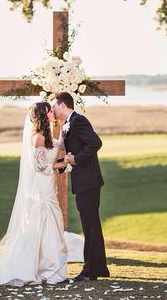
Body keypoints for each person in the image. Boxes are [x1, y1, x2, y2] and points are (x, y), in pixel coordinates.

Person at [0, 102, 70, 287]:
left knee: (51, 225)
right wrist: (64, 163)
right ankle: (44, 270)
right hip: (42, 187)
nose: (52, 112)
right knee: (48, 223)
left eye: (52, 110)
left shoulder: (47, 134)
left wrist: (64, 135)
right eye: (49, 111)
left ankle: (49, 268)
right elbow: (40, 167)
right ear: (42, 116)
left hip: (49, 185)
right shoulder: (38, 137)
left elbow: (55, 148)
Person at [52, 92, 110, 281]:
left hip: (88, 182)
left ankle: (89, 271)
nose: (53, 109)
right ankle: (100, 267)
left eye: (54, 106)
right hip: (85, 181)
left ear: (62, 105)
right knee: (92, 225)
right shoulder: (68, 123)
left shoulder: (78, 121)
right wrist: (64, 162)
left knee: (90, 226)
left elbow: (95, 143)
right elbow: (74, 151)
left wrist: (76, 159)